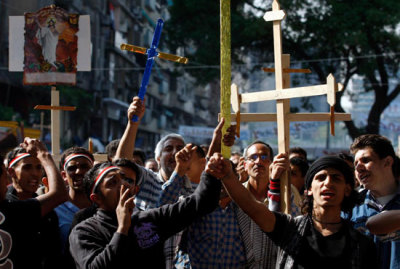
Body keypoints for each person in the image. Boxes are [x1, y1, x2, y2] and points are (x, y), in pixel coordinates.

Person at [209, 153, 378, 268]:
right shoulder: (290, 228)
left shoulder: (361, 244)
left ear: (347, 189)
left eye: (336, 178)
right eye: (320, 178)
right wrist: (227, 176)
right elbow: (252, 207)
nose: (327, 183)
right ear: (309, 190)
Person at [69, 160, 222, 269]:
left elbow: (201, 204)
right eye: (112, 182)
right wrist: (122, 229)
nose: (123, 184)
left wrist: (211, 171)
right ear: (97, 199)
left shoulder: (147, 219)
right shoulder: (84, 232)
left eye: (124, 178)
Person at [1, 137, 67, 269]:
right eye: (27, 167)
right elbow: (59, 193)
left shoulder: (49, 214)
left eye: (39, 167)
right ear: (11, 172)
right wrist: (44, 155)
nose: (35, 174)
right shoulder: (11, 208)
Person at [350, 134, 400, 269]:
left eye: (365, 160)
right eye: (355, 164)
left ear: (387, 162)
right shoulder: (350, 206)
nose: (359, 168)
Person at [55, 147, 94, 250]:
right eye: (72, 168)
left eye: (84, 167)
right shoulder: (55, 207)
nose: (78, 172)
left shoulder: (104, 205)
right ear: (64, 175)